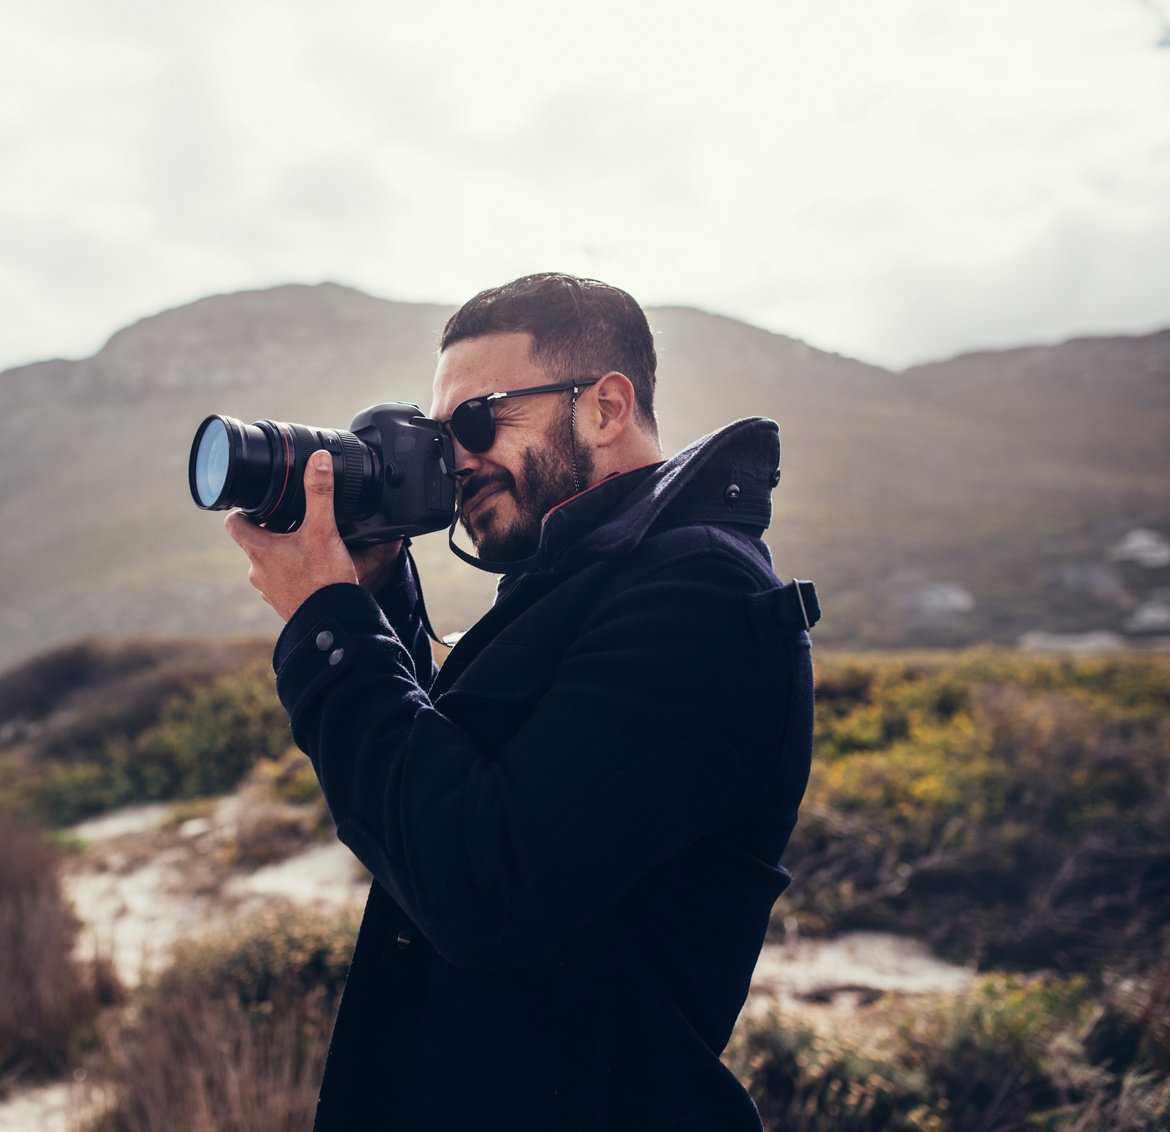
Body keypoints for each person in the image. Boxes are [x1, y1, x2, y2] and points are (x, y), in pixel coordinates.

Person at [225, 273, 818, 1130]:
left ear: (607, 408)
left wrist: (328, 624)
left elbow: (480, 884)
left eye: (478, 420)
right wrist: (376, 589)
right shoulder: (578, 578)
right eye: (440, 435)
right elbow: (458, 779)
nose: (455, 460)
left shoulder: (703, 598)